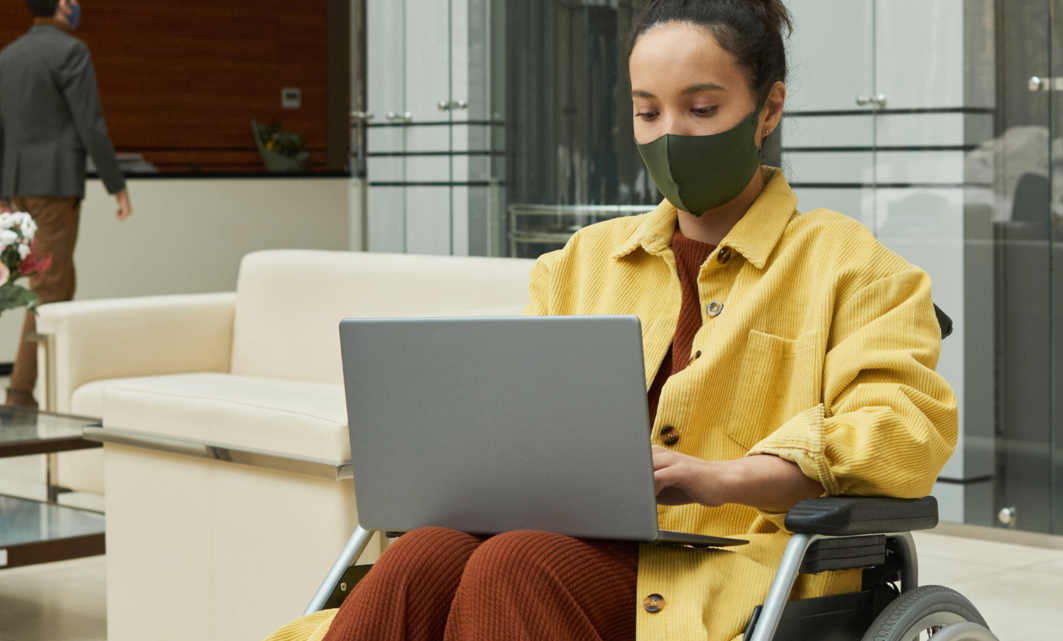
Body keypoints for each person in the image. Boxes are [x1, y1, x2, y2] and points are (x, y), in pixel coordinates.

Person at [264, 1, 957, 640]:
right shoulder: (579, 262)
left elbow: (903, 428)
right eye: (647, 111)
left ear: (768, 108)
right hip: (565, 538)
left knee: (516, 563)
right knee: (423, 552)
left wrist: (723, 474)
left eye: (702, 107)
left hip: (739, 566)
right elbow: (520, 423)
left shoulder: (854, 266)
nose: (670, 135)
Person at [0, 0, 132, 408]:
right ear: (59, 5)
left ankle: (54, 383)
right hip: (54, 184)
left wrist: (3, 192)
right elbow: (90, 122)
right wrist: (117, 184)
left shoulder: (8, 56)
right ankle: (20, 395)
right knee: (50, 287)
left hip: (18, 184)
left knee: (59, 281)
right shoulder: (71, 51)